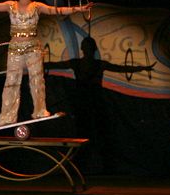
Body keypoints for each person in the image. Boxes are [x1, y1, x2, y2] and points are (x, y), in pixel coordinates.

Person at [44, 36, 155, 171]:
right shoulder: (82, 64)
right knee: (88, 132)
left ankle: (95, 164)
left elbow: (120, 68)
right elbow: (121, 68)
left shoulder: (86, 64)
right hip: (87, 103)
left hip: (91, 103)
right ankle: (88, 164)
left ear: (84, 49)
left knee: (91, 132)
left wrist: (140, 68)